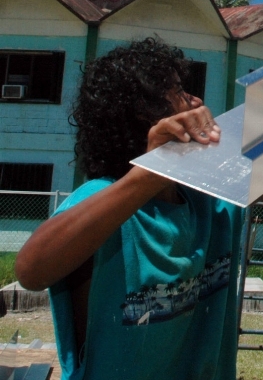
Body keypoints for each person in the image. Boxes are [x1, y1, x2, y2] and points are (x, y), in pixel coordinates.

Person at [15, 38, 242, 380]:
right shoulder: (104, 201)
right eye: (181, 91)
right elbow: (31, 270)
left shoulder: (213, 200)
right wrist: (151, 172)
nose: (196, 101)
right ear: (145, 114)